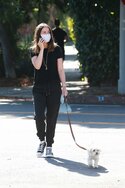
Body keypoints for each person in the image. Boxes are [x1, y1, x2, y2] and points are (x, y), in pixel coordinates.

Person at [30, 23, 68, 158]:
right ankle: (42, 140)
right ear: (38, 35)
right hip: (39, 89)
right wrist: (41, 49)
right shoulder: (33, 50)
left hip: (54, 88)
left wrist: (64, 87)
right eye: (43, 32)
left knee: (52, 118)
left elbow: (60, 69)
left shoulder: (57, 49)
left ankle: (49, 144)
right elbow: (38, 65)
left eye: (48, 32)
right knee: (39, 116)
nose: (46, 34)